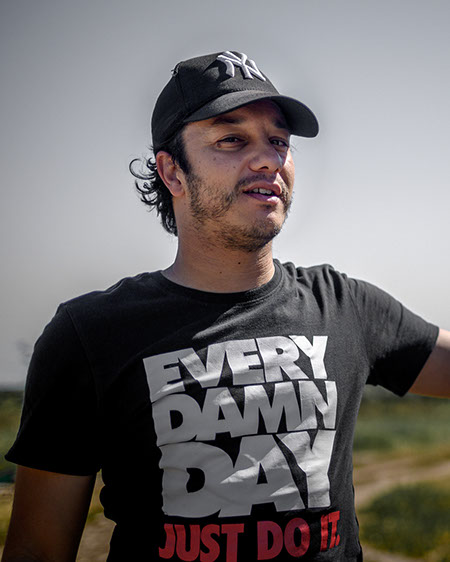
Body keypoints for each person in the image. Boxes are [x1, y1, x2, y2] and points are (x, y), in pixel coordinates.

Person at [2, 50, 449, 562]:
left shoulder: (345, 306)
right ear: (172, 172)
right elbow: (37, 550)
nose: (269, 159)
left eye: (279, 140)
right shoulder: (89, 335)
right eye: (232, 139)